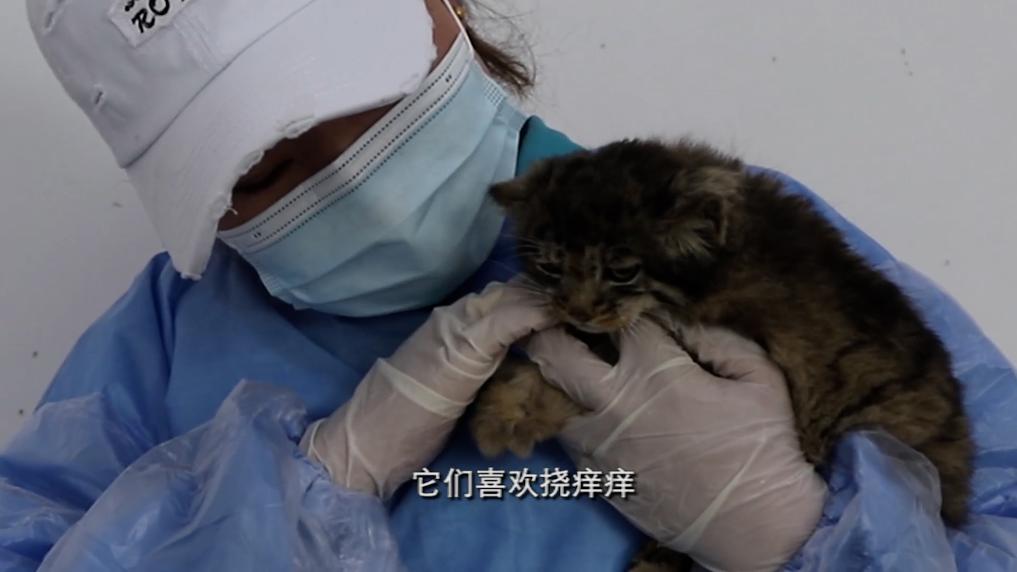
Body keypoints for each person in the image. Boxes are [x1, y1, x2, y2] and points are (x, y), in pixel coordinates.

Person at [3, 0, 1016, 571]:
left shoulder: (734, 231)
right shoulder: (160, 347)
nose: (359, 181)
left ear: (442, 13)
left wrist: (804, 539)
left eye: (373, 96)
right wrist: (309, 488)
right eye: (264, 168)